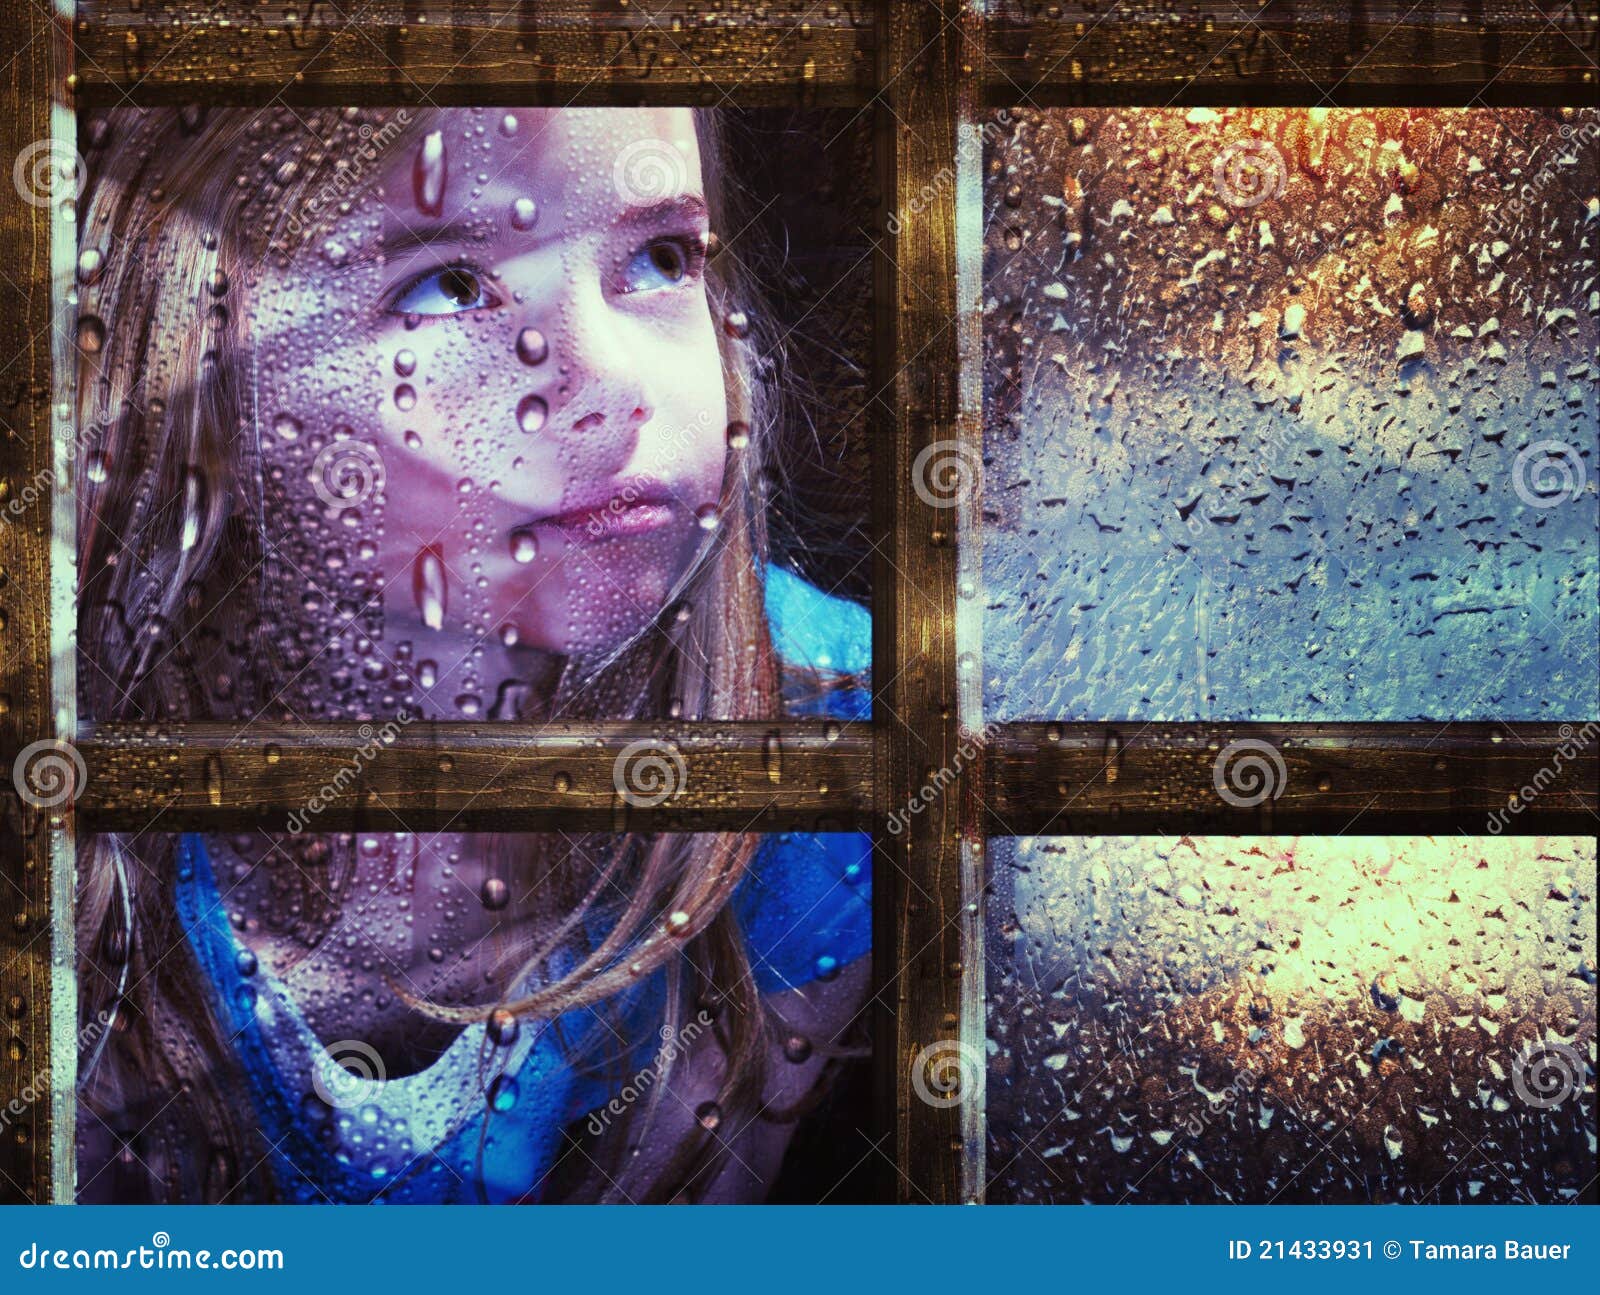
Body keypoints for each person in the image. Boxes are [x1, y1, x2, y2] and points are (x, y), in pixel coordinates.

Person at [72, 106, 871, 1204]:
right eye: (446, 286)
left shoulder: (836, 729)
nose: (613, 383)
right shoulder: (78, 760)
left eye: (660, 258)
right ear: (192, 380)